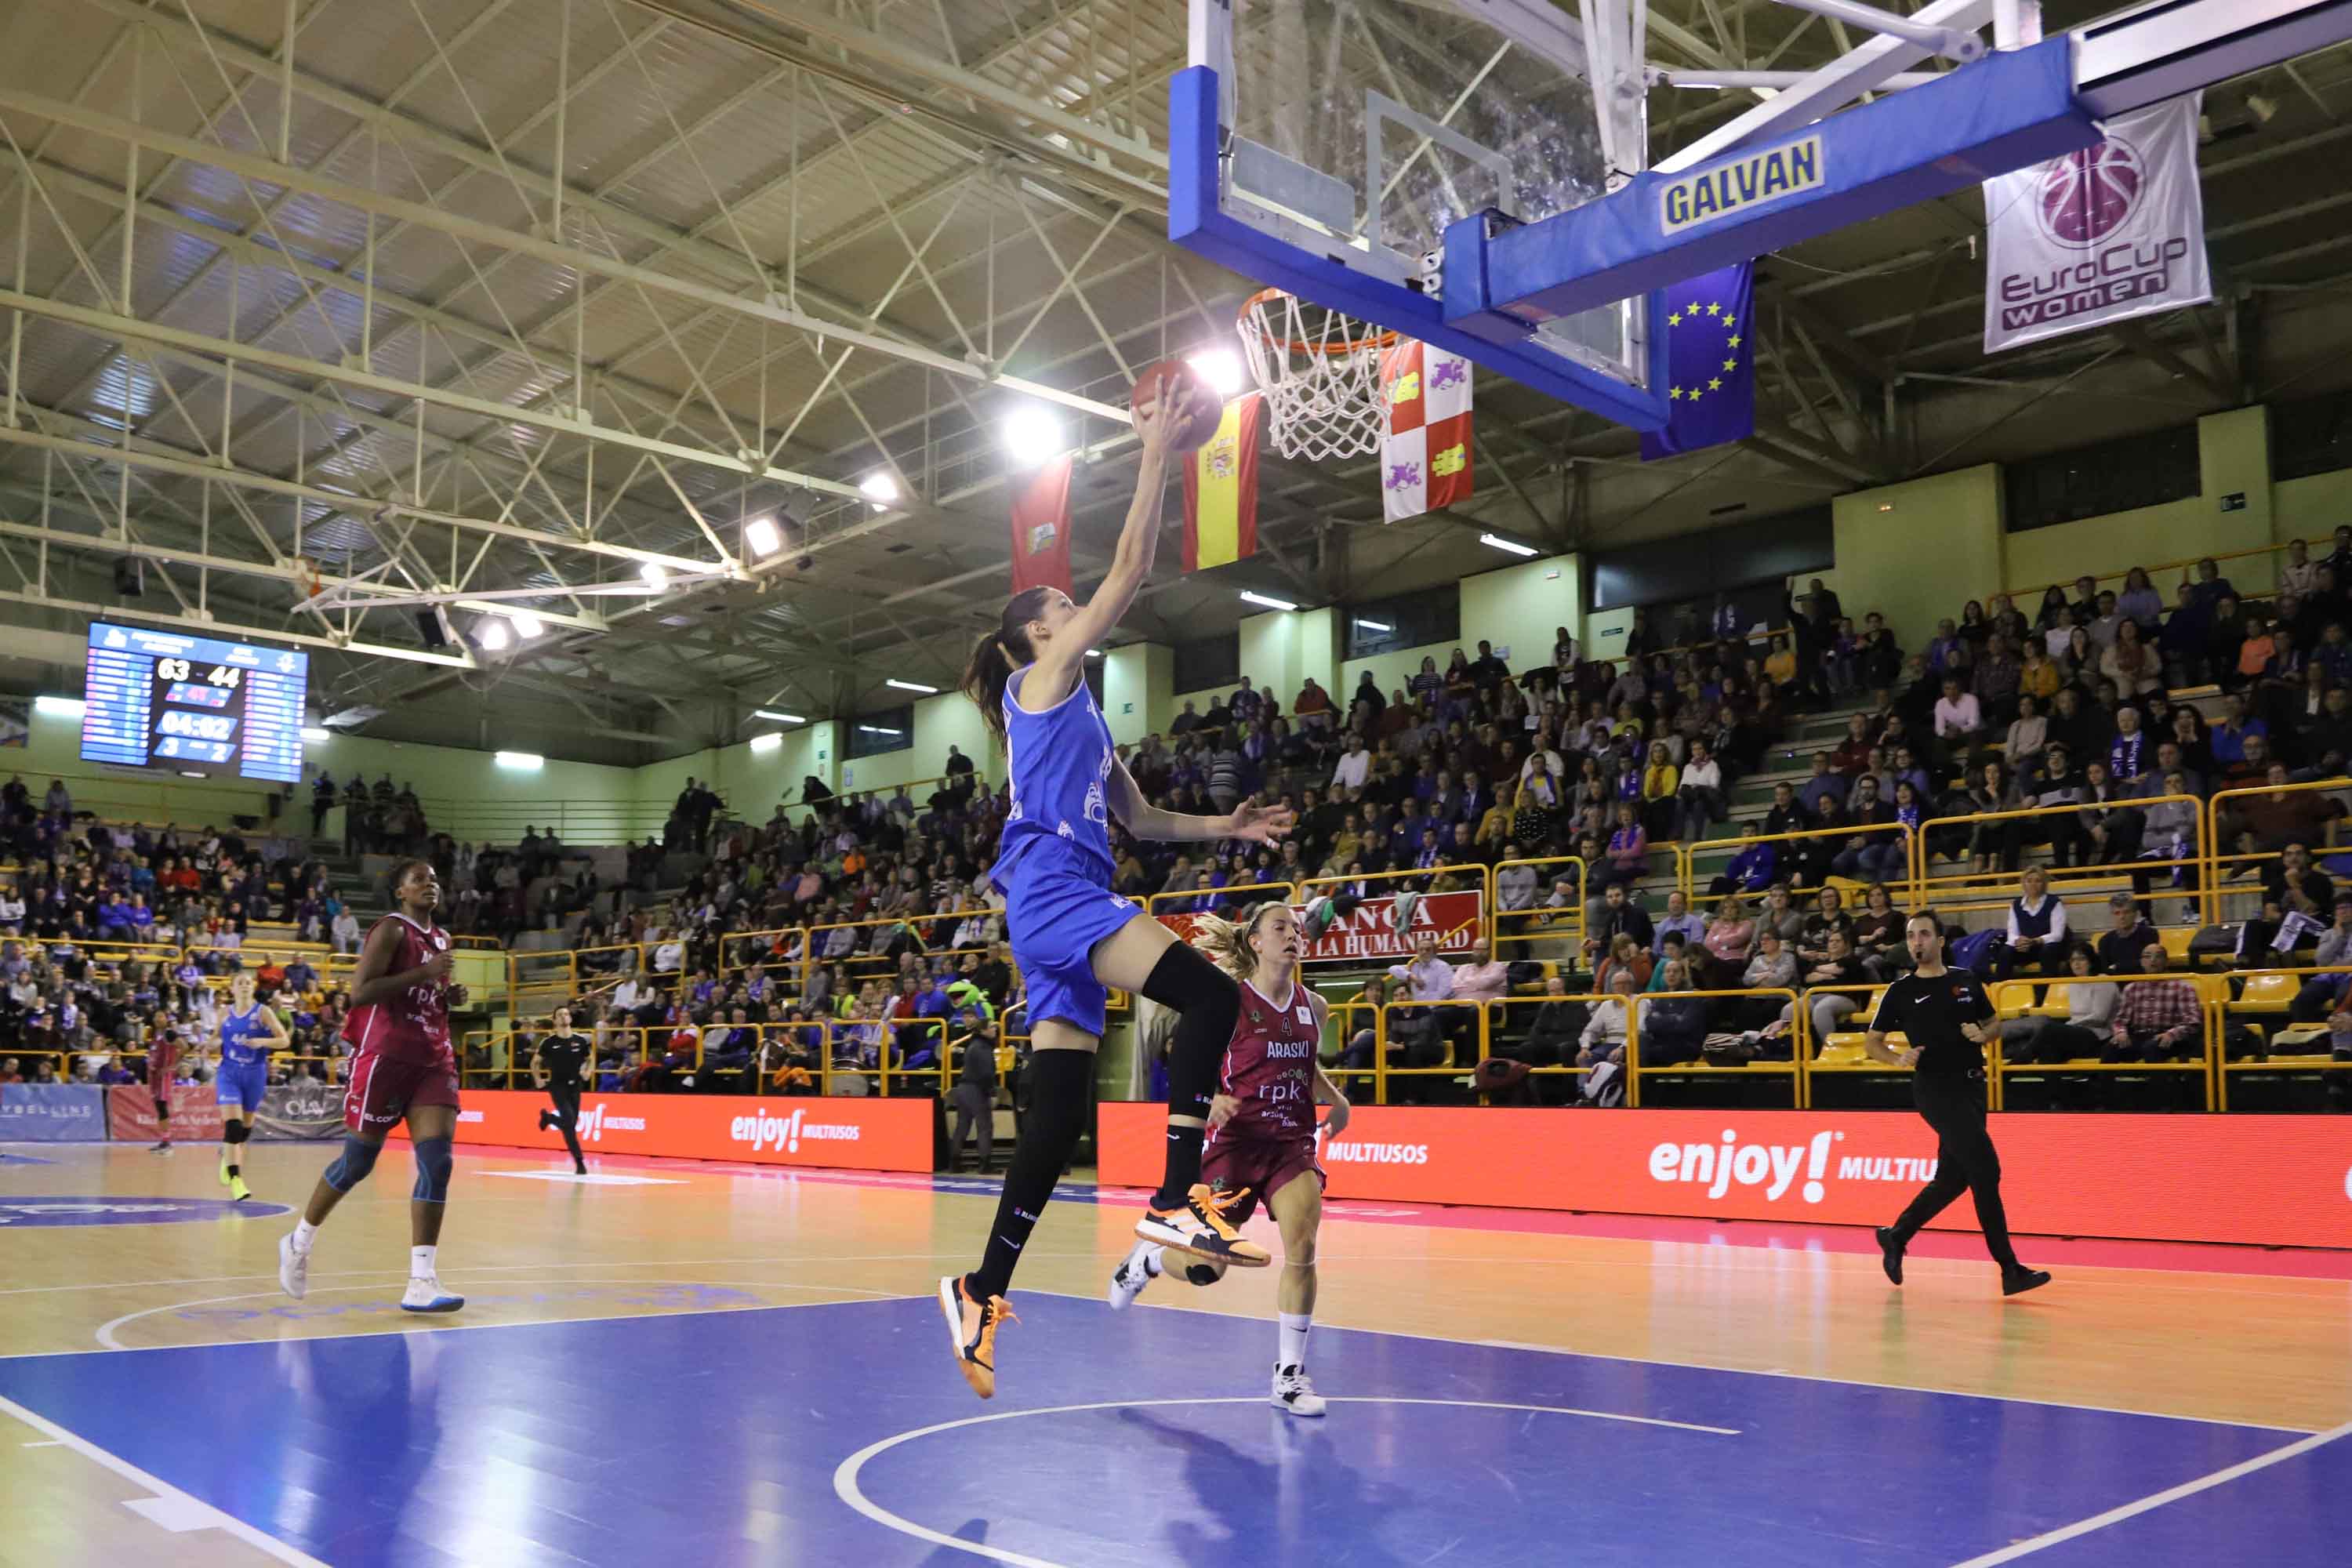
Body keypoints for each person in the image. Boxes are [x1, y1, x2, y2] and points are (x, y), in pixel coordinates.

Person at [940, 373, 1294, 1400]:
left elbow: (1140, 822)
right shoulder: (1035, 686)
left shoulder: (1082, 724)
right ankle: (1178, 1197)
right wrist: (1155, 448)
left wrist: (1225, 825)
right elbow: (1132, 567)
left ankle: (979, 1287)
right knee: (1213, 993)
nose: (1072, 605)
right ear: (1035, 639)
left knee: (1054, 1125)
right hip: (1057, 893)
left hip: (1054, 904)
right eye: (1058, 604)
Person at [1109, 902, 1349, 1418]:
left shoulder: (1317, 1007)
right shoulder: (1228, 1001)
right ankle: (1148, 1259)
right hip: (1234, 1146)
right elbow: (1185, 1055)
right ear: (1256, 942)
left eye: (1297, 929)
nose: (1293, 935)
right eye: (1279, 928)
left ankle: (1288, 1377)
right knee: (1206, 1269)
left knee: (1303, 1246)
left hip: (1290, 1144)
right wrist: (1209, 1097)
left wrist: (1338, 1098)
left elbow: (1305, 1067)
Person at [277, 858, 469, 1315]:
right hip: (384, 1057)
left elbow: (421, 995)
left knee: (438, 1162)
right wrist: (426, 974)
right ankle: (299, 1242)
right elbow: (360, 993)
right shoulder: (390, 930)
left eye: (435, 879)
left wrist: (446, 997)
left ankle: (421, 1280)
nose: (430, 885)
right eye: (419, 879)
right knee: (357, 1164)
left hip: (433, 1059)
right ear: (400, 892)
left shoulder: (441, 939)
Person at [1862, 913, 2051, 1297]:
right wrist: (1896, 1058)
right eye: (1912, 936)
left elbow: (1994, 1025)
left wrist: (1982, 1034)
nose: (1918, 942)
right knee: (1986, 1170)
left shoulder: (1965, 979)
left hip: (1973, 1088)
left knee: (1953, 1178)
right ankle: (2009, 1269)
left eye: (1925, 935)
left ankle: (1897, 1235)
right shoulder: (1900, 990)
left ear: (1940, 941)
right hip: (1935, 1089)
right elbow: (1872, 1042)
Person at [214, 971, 289, 1201]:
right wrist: (208, 1045)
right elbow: (217, 1038)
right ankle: (237, 1180)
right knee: (233, 1127)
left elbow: (284, 1040)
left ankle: (227, 1159)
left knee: (244, 1131)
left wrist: (262, 1042)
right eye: (240, 983)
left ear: (253, 987)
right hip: (229, 1072)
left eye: (248, 982)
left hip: (255, 1074)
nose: (245, 985)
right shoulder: (224, 1012)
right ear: (232, 988)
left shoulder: (263, 1012)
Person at [532, 1004, 593, 1175]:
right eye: (560, 1015)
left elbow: (591, 1058)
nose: (564, 1017)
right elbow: (535, 1062)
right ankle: (580, 1162)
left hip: (576, 1086)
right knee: (569, 1120)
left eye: (566, 1014)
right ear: (555, 1020)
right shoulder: (549, 1042)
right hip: (557, 1086)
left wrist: (588, 1071)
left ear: (571, 1019)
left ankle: (549, 1118)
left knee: (570, 1125)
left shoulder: (580, 1040)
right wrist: (538, 1079)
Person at [146, 1022, 180, 1154]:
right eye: (156, 1016)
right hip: (154, 1078)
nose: (158, 1019)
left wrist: (172, 1066)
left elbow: (185, 1047)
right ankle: (164, 1141)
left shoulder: (169, 1034)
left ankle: (167, 1142)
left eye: (161, 1016)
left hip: (162, 1078)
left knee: (162, 1107)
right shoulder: (154, 1037)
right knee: (159, 1109)